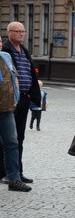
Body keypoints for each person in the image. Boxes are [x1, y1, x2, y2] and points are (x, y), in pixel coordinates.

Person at [0, 22, 40, 184]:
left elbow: (29, 73)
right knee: (7, 139)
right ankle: (6, 173)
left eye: (23, 31)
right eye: (17, 31)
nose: (21, 34)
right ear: (9, 33)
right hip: (8, 101)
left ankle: (18, 172)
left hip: (23, 98)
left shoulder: (23, 51)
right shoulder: (6, 52)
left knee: (18, 138)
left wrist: (33, 95)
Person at [0, 47, 29, 191]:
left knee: (12, 143)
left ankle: (14, 179)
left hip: (6, 109)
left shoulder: (6, 56)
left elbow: (14, 78)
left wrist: (15, 98)